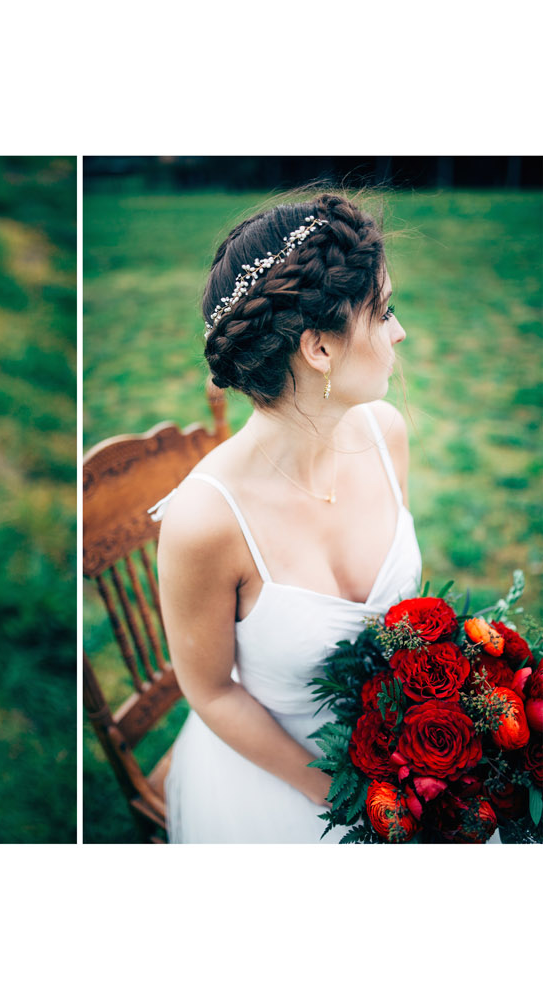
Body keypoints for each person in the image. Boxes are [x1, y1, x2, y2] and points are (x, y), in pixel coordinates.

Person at [153, 192, 415, 843]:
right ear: (320, 349)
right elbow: (211, 692)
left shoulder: (387, 435)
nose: (399, 332)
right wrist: (337, 795)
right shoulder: (206, 522)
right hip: (279, 779)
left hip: (404, 754)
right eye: (382, 312)